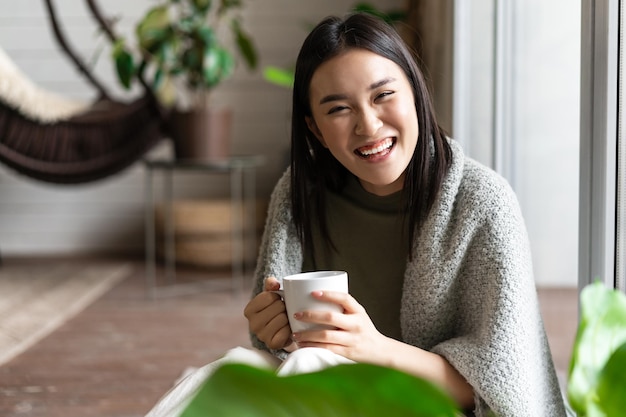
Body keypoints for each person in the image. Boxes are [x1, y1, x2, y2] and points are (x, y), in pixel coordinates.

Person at [146, 12, 567, 417]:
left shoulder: (482, 204)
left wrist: (373, 348)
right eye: (338, 109)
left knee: (304, 372)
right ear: (315, 130)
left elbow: (505, 389)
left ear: (416, 95)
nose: (368, 126)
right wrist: (271, 329)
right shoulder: (299, 196)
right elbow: (281, 350)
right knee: (228, 371)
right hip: (338, 394)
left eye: (384, 95)